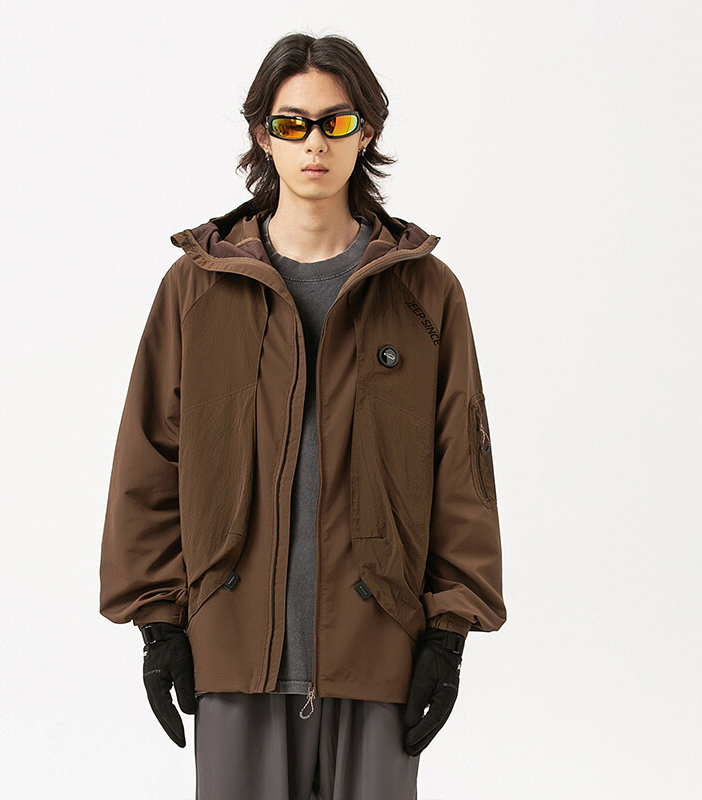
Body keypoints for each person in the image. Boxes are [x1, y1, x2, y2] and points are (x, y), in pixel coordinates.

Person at [99, 31, 506, 800]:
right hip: (232, 653)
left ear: (367, 131)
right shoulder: (196, 288)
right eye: (292, 123)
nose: (314, 143)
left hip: (380, 653)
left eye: (335, 121)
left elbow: (462, 470)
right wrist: (159, 626)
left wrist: (448, 636)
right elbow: (149, 460)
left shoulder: (426, 294)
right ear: (264, 135)